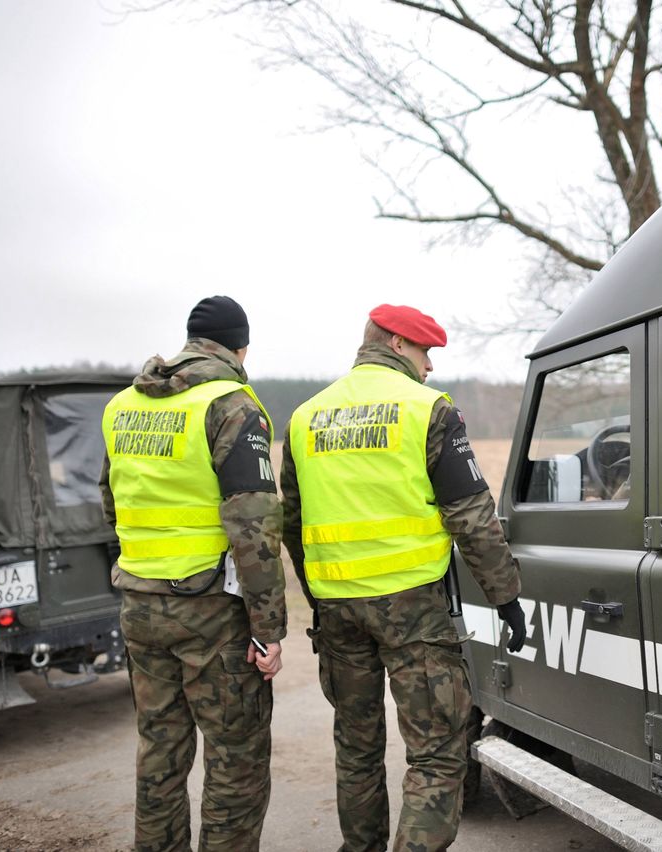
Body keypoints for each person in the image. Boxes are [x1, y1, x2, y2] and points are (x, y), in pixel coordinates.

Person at [280, 303, 525, 852]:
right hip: (412, 607)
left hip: (337, 610)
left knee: (357, 746)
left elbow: (290, 522)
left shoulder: (305, 417)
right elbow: (472, 517)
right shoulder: (427, 409)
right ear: (395, 344)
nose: (430, 365)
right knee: (438, 750)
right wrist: (506, 596)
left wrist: (317, 591)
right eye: (424, 351)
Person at [99, 295, 287, 852]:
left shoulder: (121, 406)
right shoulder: (229, 405)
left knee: (160, 749)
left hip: (139, 601)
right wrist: (267, 628)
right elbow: (253, 525)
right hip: (210, 611)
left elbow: (109, 503)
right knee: (236, 758)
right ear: (240, 347)